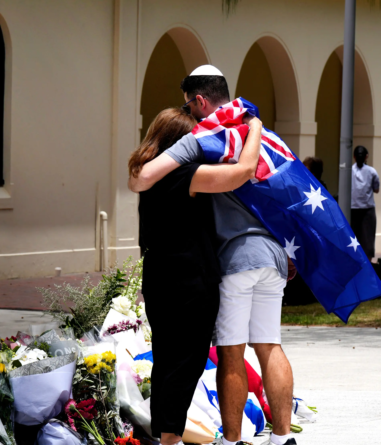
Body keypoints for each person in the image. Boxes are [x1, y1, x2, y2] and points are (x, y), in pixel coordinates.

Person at [129, 65, 296, 445]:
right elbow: (249, 174)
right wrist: (254, 127)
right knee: (265, 345)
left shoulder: (175, 162)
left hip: (202, 268)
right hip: (251, 260)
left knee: (214, 354)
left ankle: (223, 440)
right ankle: (281, 437)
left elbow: (138, 178)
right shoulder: (214, 159)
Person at [351, 145, 379, 262]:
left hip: (352, 209)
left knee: (352, 240)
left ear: (354, 157)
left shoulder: (349, 170)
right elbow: (376, 189)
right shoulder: (372, 171)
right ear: (366, 156)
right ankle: (368, 265)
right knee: (367, 240)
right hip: (367, 210)